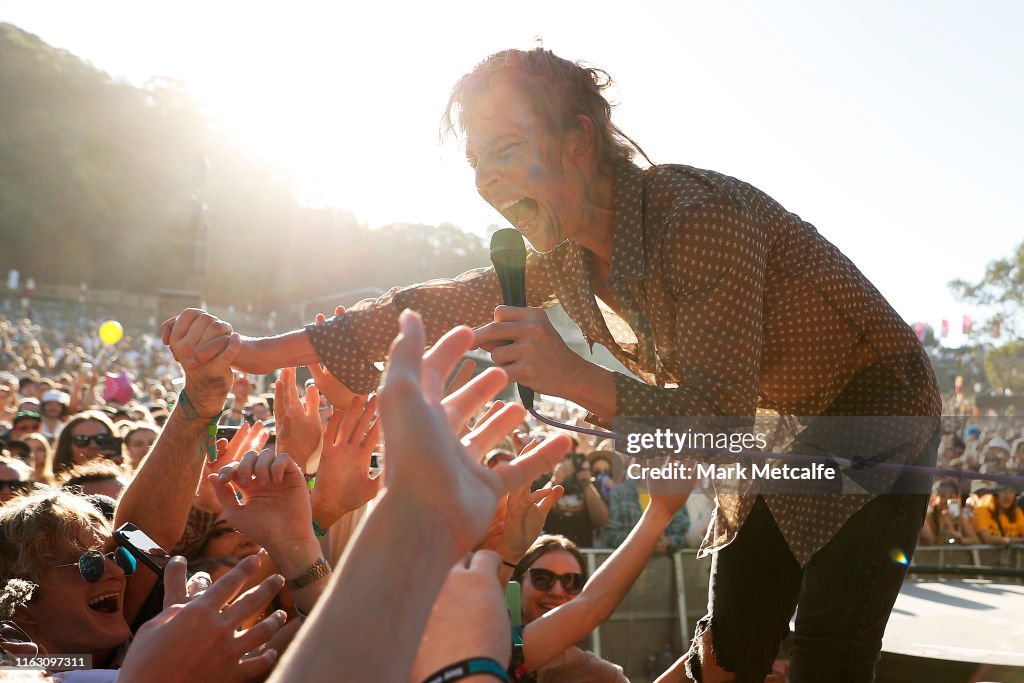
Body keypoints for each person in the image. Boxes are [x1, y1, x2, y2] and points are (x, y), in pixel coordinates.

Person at [172, 48, 940, 681]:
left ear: (578, 141)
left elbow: (717, 425)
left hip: (875, 409)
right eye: (477, 161)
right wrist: (248, 349)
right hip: (779, 428)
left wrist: (571, 375)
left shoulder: (698, 221)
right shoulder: (566, 252)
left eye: (508, 151)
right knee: (731, 645)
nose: (488, 180)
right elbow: (438, 302)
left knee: (829, 652)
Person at [510, 535, 628, 682]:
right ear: (516, 584)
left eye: (571, 581)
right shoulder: (490, 653)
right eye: (542, 578)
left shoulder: (604, 677)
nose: (557, 592)